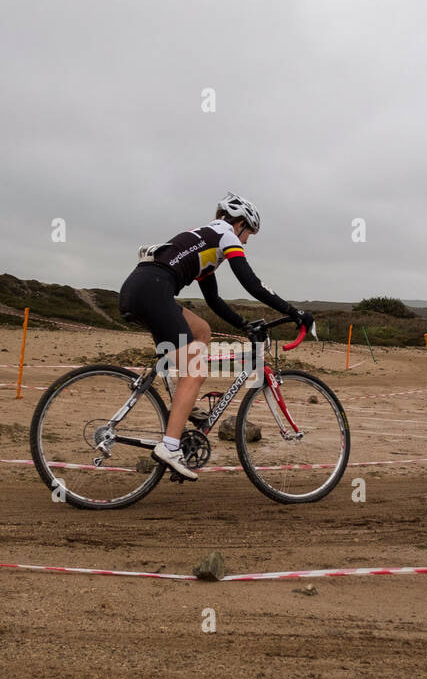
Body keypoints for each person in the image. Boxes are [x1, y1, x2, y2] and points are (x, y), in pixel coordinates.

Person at [118, 192, 314, 480]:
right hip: (154, 290)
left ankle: (182, 408)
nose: (246, 241)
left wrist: (243, 324)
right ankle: (170, 447)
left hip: (140, 288)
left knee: (202, 331)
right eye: (249, 234)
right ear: (240, 224)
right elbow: (252, 284)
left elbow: (214, 301)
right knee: (197, 368)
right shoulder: (225, 234)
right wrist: (294, 312)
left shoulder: (206, 242)